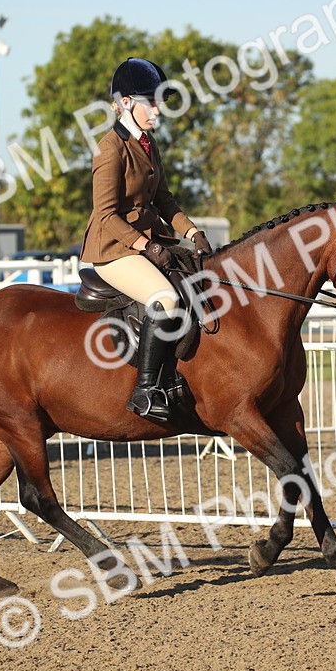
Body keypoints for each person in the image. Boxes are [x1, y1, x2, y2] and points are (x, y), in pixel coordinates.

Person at [80, 57, 213, 422]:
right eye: (150, 102)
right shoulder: (110, 148)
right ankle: (145, 391)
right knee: (166, 298)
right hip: (112, 249)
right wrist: (148, 247)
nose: (157, 110)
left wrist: (192, 232)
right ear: (125, 103)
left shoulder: (147, 142)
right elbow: (106, 216)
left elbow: (164, 200)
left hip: (145, 242)